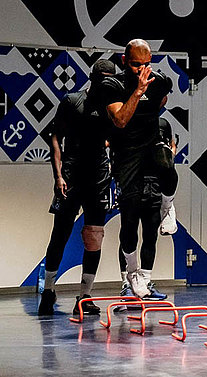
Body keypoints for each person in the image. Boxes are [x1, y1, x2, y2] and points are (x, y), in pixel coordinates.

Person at [38, 59, 116, 316]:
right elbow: (56, 137)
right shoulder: (72, 101)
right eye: (102, 78)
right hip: (71, 176)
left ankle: (84, 297)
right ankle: (48, 291)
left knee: (94, 238)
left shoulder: (113, 108)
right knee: (59, 234)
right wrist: (58, 175)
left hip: (98, 179)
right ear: (93, 78)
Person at [101, 39, 174, 299]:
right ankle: (131, 276)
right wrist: (139, 91)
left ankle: (168, 206)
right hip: (126, 157)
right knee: (130, 223)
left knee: (167, 164)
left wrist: (150, 96)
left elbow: (164, 94)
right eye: (135, 65)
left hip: (151, 154)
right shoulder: (112, 86)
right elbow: (120, 120)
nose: (141, 70)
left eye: (146, 65)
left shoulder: (159, 81)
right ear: (124, 61)